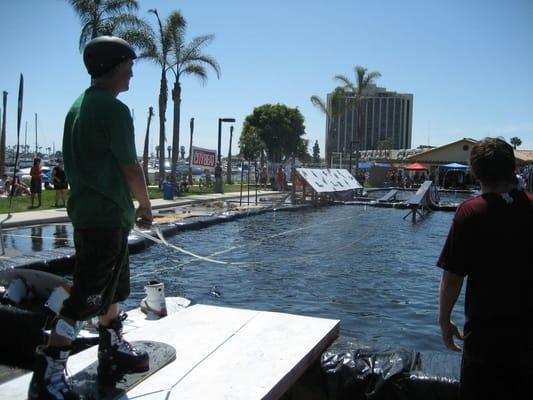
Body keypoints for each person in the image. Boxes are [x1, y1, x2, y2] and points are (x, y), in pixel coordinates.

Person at [28, 36, 153, 400]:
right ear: (114, 66)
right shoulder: (114, 110)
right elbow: (131, 168)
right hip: (105, 218)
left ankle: (111, 348)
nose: (131, 74)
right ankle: (48, 371)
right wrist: (145, 206)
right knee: (84, 299)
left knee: (114, 289)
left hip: (93, 215)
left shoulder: (77, 106)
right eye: (129, 66)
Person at [437, 138, 533, 400]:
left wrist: (444, 319)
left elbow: (453, 276)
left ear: (475, 173)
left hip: (486, 341)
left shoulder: (471, 213)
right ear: (512, 167)